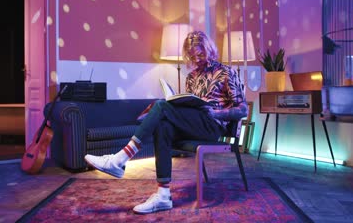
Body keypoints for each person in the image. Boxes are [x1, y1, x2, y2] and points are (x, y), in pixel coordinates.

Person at [84, 30, 248, 214]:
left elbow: (243, 110)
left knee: (162, 107)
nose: (197, 59)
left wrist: (216, 113)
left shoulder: (226, 72)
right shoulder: (192, 77)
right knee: (162, 126)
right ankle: (163, 195)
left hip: (212, 126)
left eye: (201, 54)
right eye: (193, 56)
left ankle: (120, 158)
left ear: (209, 49)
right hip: (194, 123)